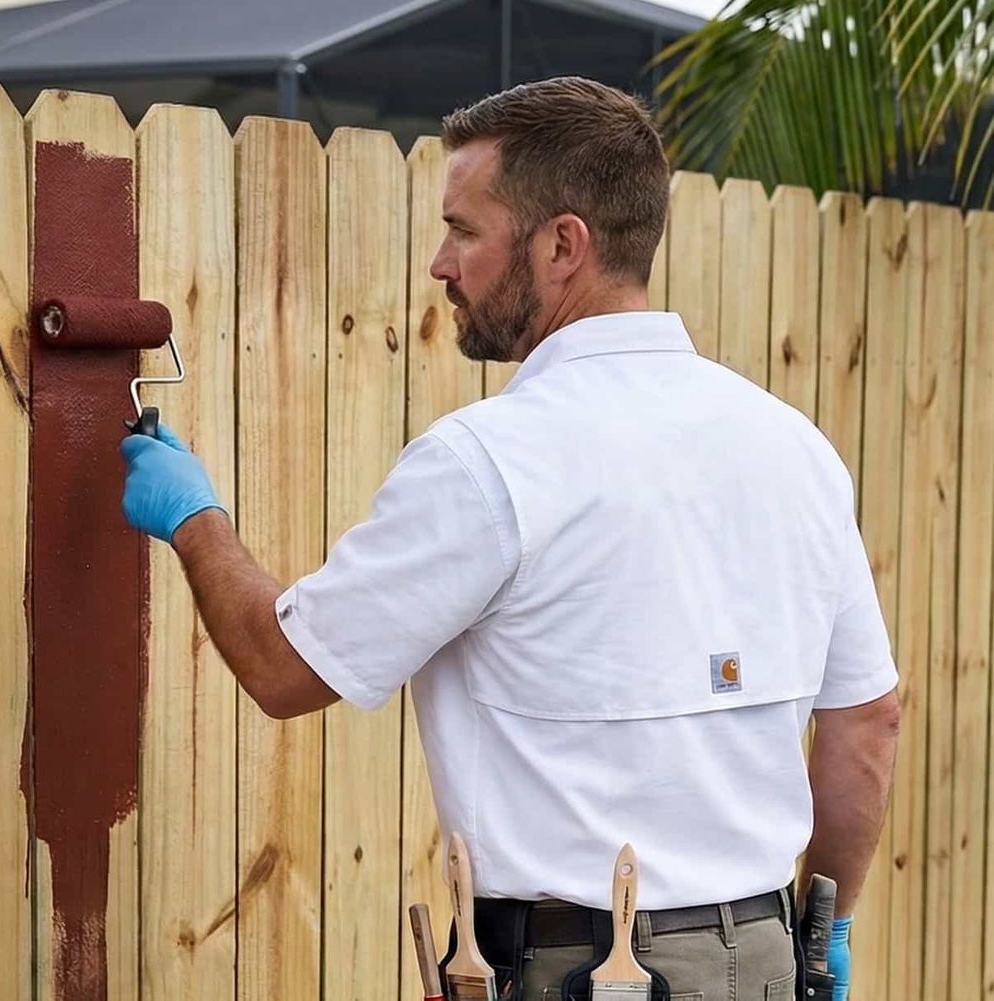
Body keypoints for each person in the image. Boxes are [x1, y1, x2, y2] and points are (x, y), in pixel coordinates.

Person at [119, 76, 900, 1001]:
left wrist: (194, 517)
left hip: (581, 975)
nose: (440, 264)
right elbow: (867, 722)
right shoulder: (795, 449)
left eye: (463, 230)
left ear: (562, 244)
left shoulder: (489, 463)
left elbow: (283, 667)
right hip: (767, 966)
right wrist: (827, 928)